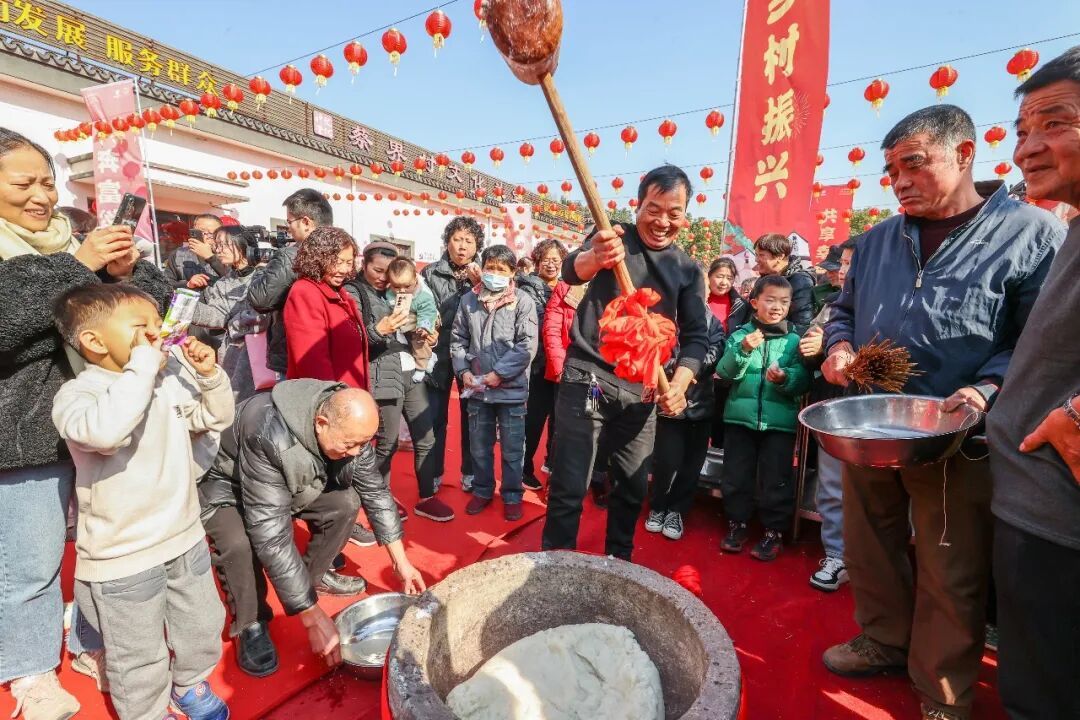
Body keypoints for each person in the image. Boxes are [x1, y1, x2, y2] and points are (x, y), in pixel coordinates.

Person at [820, 104, 1064, 720]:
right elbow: (842, 311)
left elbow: (1041, 338)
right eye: (892, 169)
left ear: (965, 154)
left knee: (949, 559)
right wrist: (839, 346)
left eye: (914, 164)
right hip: (871, 421)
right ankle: (883, 638)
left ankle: (942, 688)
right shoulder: (877, 237)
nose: (899, 180)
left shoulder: (1033, 233)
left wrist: (988, 386)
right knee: (868, 541)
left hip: (959, 431)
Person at [0, 128, 171, 716]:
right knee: (31, 561)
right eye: (23, 183)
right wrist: (76, 266)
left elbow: (146, 317)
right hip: (25, 436)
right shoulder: (64, 254)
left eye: (46, 181)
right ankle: (28, 670)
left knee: (103, 549)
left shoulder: (73, 244)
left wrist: (126, 273)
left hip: (105, 424)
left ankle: (88, 642)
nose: (41, 195)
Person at [51, 284, 234, 720]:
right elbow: (106, 432)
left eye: (159, 324)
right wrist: (145, 366)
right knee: (138, 653)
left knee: (202, 626)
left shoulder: (165, 381)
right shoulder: (79, 397)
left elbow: (215, 417)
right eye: (142, 328)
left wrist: (210, 377)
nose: (158, 335)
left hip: (184, 536)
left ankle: (189, 684)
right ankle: (148, 712)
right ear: (94, 343)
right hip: (123, 558)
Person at [541, 165, 710, 561]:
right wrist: (595, 257)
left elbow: (697, 338)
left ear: (686, 215)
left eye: (674, 213)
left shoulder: (687, 269)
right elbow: (571, 271)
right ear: (638, 204)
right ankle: (554, 568)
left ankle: (620, 565)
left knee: (633, 488)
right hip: (592, 379)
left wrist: (681, 386)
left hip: (644, 392)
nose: (663, 221)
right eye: (654, 209)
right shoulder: (613, 236)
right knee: (571, 481)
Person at [199, 381, 425, 676]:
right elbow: (271, 533)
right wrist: (313, 618)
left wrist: (402, 563)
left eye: (363, 444)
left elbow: (376, 492)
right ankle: (251, 623)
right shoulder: (267, 431)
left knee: (345, 503)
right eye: (349, 445)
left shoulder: (348, 426)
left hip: (288, 478)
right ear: (321, 423)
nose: (357, 452)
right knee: (239, 544)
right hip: (229, 485)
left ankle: (311, 580)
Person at [985, 48, 1080, 719]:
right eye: (1021, 130)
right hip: (1036, 501)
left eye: (1055, 122)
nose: (1027, 148)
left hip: (1059, 515)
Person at [347, 244, 449, 523]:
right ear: (363, 265)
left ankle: (427, 496)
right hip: (381, 371)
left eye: (388, 273)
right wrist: (380, 330)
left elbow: (426, 319)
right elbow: (351, 340)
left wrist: (429, 335)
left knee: (426, 435)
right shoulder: (354, 293)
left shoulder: (406, 291)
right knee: (387, 441)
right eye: (377, 270)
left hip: (410, 368)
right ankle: (380, 500)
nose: (383, 278)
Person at [717, 275, 810, 560]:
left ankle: (773, 531)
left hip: (778, 424)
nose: (776, 307)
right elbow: (724, 372)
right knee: (736, 475)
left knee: (777, 478)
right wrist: (743, 350)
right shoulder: (740, 334)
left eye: (783, 302)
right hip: (739, 420)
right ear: (755, 303)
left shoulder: (795, 340)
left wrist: (785, 378)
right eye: (770, 300)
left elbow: (804, 380)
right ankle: (737, 524)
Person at [451, 244, 538, 521]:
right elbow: (458, 340)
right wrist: (463, 370)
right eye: (490, 268)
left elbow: (527, 345)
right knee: (479, 445)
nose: (495, 274)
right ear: (482, 267)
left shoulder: (522, 301)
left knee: (513, 448)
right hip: (477, 389)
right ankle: (483, 490)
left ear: (513, 272)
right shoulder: (468, 300)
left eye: (502, 269)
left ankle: (512, 495)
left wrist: (499, 374)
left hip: (510, 390)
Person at [645, 270, 727, 541]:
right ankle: (657, 507)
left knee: (692, 464)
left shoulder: (713, 322)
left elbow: (713, 354)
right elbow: (656, 354)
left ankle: (677, 511)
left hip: (701, 403)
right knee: (666, 461)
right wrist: (672, 375)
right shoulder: (665, 317)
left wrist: (687, 371)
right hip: (668, 403)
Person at [798, 237, 856, 592]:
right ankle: (837, 554)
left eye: (850, 264)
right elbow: (809, 347)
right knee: (832, 485)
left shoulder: (890, 304)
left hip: (879, 409)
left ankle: (876, 559)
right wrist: (816, 348)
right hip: (834, 404)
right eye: (842, 264)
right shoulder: (832, 307)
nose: (843, 272)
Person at [422, 217, 484, 492]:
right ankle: (433, 473)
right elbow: (421, 308)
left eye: (468, 241)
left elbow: (495, 313)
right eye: (457, 239)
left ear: (477, 246)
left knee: (472, 415)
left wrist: (480, 285)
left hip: (472, 355)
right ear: (447, 242)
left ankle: (470, 472)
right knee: (435, 416)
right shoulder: (430, 273)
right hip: (438, 352)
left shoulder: (485, 274)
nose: (462, 246)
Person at [248, 189, 334, 376]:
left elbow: (261, 299)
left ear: (305, 222)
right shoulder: (340, 252)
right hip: (330, 346)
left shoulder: (293, 255)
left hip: (295, 352)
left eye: (289, 222)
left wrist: (261, 269)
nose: (288, 229)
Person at [191, 226, 270, 402]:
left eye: (225, 245)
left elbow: (263, 315)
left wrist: (235, 322)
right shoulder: (224, 283)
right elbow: (218, 316)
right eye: (217, 245)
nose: (218, 250)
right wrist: (186, 306)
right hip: (232, 355)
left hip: (263, 352)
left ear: (243, 246)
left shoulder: (267, 275)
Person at [284, 227, 368, 388]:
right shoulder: (305, 292)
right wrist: (332, 401)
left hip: (350, 396)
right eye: (337, 262)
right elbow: (312, 362)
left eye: (349, 263)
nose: (344, 270)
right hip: (331, 401)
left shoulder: (340, 293)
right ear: (318, 259)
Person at [520, 239, 564, 491]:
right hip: (539, 365)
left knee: (560, 420)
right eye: (546, 259)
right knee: (535, 419)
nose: (551, 264)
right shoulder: (527, 288)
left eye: (556, 260)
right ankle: (524, 467)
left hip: (562, 364)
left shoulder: (568, 287)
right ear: (536, 261)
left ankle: (551, 462)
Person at [706, 257, 750, 449]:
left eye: (729, 278)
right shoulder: (697, 299)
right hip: (700, 364)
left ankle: (716, 453)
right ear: (709, 276)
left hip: (726, 367)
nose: (724, 282)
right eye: (719, 276)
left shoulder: (741, 305)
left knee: (720, 414)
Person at [385, 256, 440, 383]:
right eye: (396, 287)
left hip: (420, 323)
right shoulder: (390, 293)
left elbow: (428, 313)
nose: (402, 290)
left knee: (419, 342)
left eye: (407, 286)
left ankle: (422, 367)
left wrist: (424, 327)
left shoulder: (422, 296)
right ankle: (428, 356)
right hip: (402, 325)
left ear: (415, 279)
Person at [752, 233, 815, 331]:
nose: (756, 260)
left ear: (780, 256)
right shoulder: (762, 281)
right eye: (756, 255)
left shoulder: (800, 281)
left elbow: (802, 324)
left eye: (761, 255)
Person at [164, 213, 225, 290]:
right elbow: (166, 284)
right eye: (201, 232)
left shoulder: (229, 254)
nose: (206, 237)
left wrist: (210, 257)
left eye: (211, 233)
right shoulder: (178, 254)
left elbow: (237, 280)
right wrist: (188, 284)